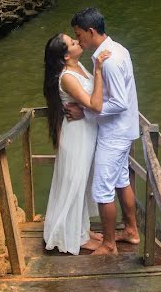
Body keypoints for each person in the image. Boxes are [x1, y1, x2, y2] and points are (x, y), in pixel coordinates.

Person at [65, 7, 140, 255]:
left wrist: (85, 112)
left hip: (115, 133)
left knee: (102, 188)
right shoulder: (116, 50)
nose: (78, 39)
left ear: (91, 31)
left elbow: (119, 102)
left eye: (78, 34)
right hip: (122, 129)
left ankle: (108, 245)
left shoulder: (109, 61)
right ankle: (130, 231)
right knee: (120, 181)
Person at [42, 32, 112, 254]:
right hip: (76, 136)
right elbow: (95, 104)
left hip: (86, 131)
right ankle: (77, 238)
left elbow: (88, 105)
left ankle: (82, 228)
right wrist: (99, 70)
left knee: (83, 182)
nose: (76, 41)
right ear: (65, 57)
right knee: (75, 182)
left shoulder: (78, 66)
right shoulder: (67, 78)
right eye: (72, 43)